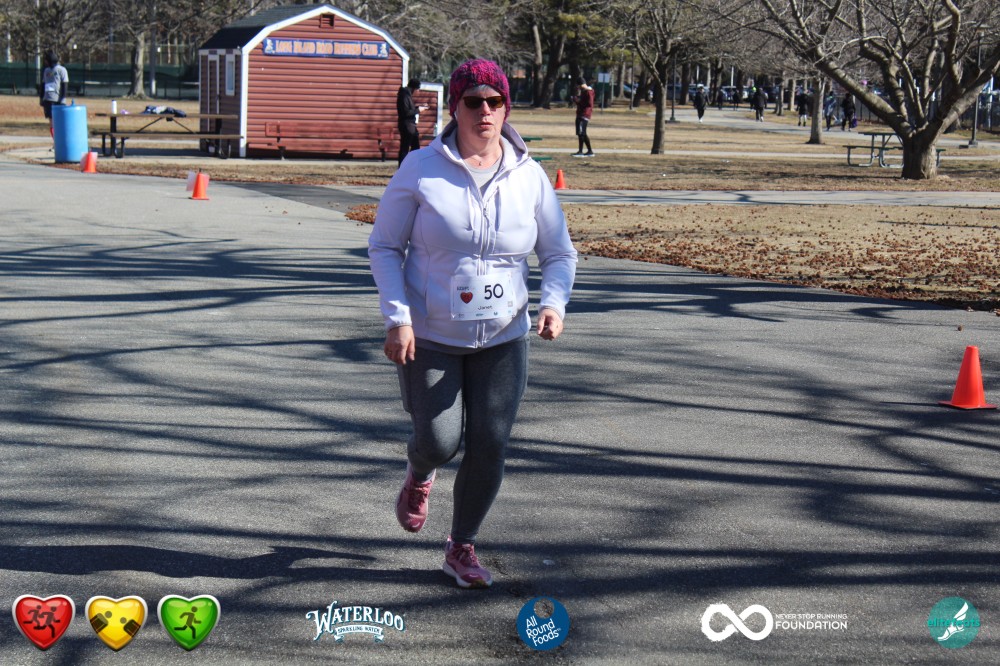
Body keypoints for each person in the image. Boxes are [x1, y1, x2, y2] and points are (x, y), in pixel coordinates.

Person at [369, 58, 578, 590]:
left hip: (504, 335)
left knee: (490, 442)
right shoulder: (420, 167)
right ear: (455, 108)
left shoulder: (529, 175)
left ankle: (461, 545)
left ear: (506, 108)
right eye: (473, 101)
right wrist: (398, 318)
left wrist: (553, 305)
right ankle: (420, 471)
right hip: (431, 332)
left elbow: (558, 253)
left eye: (494, 101)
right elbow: (385, 246)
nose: (485, 111)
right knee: (440, 442)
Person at [396, 77, 427, 165]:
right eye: (418, 89)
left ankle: (412, 166)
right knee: (405, 148)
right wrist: (418, 110)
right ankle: (402, 167)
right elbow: (406, 112)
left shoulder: (407, 95)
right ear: (414, 88)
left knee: (415, 147)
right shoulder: (404, 95)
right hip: (407, 126)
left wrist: (419, 107)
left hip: (410, 126)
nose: (418, 91)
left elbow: (409, 109)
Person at [39, 50, 69, 137]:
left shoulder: (61, 70)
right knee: (51, 122)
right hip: (48, 99)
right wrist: (41, 98)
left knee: (59, 122)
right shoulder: (46, 71)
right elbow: (43, 84)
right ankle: (55, 140)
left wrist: (63, 98)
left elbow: (64, 84)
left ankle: (60, 139)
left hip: (58, 99)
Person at [572, 76, 595, 156]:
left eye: (578, 85)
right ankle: (589, 151)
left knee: (581, 133)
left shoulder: (588, 92)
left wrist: (577, 101)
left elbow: (589, 103)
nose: (578, 87)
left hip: (584, 114)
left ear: (580, 84)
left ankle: (581, 151)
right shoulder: (584, 91)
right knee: (582, 133)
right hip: (581, 114)